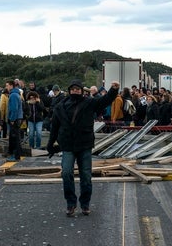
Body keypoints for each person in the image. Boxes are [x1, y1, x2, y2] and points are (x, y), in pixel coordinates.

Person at [47, 79, 120, 217]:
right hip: (67, 145)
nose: (75, 91)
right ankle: (71, 203)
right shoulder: (60, 106)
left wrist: (114, 90)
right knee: (66, 173)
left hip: (84, 144)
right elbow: (55, 127)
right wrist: (50, 144)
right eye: (73, 89)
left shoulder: (89, 103)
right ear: (69, 91)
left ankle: (85, 204)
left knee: (86, 176)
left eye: (78, 89)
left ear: (82, 90)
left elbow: (105, 100)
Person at [5, 80, 23, 161]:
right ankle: (16, 155)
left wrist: (12, 119)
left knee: (15, 138)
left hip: (15, 119)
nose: (6, 87)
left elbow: (14, 108)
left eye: (7, 85)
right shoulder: (16, 94)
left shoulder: (13, 95)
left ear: (11, 86)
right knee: (16, 138)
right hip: (18, 118)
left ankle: (15, 156)